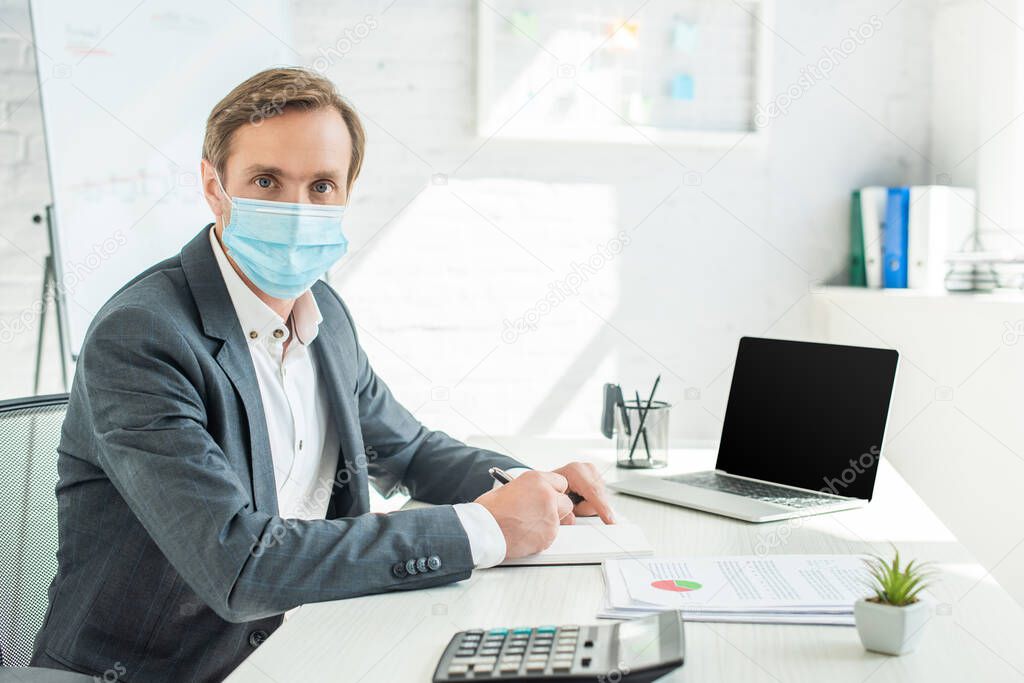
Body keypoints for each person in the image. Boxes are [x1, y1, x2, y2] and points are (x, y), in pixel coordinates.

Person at [31, 67, 614, 682]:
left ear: (346, 193)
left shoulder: (325, 313)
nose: (296, 209)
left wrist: (533, 486)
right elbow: (240, 564)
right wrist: (486, 528)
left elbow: (408, 452)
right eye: (265, 181)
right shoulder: (142, 337)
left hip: (300, 648)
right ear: (213, 185)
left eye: (321, 186)